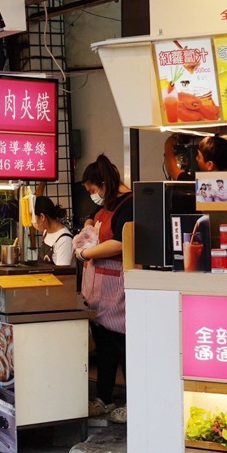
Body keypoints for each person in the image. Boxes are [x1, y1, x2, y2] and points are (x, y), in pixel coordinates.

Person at [77, 154, 133, 424]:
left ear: (104, 183)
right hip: (97, 290)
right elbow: (92, 218)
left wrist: (85, 252)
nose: (93, 196)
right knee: (104, 347)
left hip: (117, 289)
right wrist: (88, 227)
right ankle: (104, 398)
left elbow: (121, 243)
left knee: (124, 345)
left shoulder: (129, 204)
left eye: (93, 190)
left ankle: (134, 401)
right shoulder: (107, 204)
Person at [163, 133, 227, 181]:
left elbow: (173, 171)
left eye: (199, 156)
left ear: (210, 165)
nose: (196, 158)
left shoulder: (203, 183)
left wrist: (168, 145)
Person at [32, 196, 74, 266]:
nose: (32, 222)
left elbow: (62, 273)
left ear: (42, 217)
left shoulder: (64, 240)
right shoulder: (46, 232)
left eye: (33, 218)